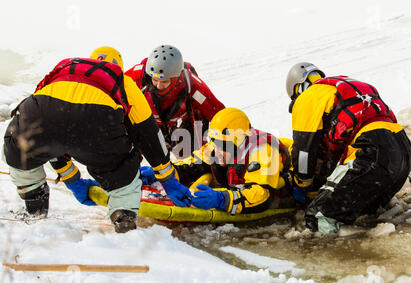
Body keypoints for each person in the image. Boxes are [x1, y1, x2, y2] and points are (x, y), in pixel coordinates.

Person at [2, 46, 192, 233]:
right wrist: (167, 178)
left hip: (38, 116)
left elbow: (49, 127)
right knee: (122, 173)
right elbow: (147, 133)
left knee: (22, 152)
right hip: (97, 122)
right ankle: (123, 220)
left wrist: (72, 180)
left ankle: (34, 211)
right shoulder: (122, 81)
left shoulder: (64, 69)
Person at [285, 62, 411, 234]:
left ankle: (338, 258)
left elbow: (303, 151)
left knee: (318, 215)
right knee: (362, 213)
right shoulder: (344, 88)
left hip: (370, 153)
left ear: (297, 90)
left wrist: (302, 184)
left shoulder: (308, 97)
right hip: (403, 150)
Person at [140, 107, 293, 214]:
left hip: (284, 185)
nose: (217, 150)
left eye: (222, 146)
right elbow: (188, 165)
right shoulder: (218, 145)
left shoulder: (263, 151)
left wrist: (222, 199)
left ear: (238, 142)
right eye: (215, 144)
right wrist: (161, 174)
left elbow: (262, 195)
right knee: (202, 168)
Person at [125, 45, 225, 157]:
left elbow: (219, 114)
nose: (158, 85)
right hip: (148, 123)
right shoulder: (137, 76)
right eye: (155, 80)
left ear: (176, 78)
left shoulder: (192, 86)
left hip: (183, 126)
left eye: (164, 81)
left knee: (191, 158)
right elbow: (113, 90)